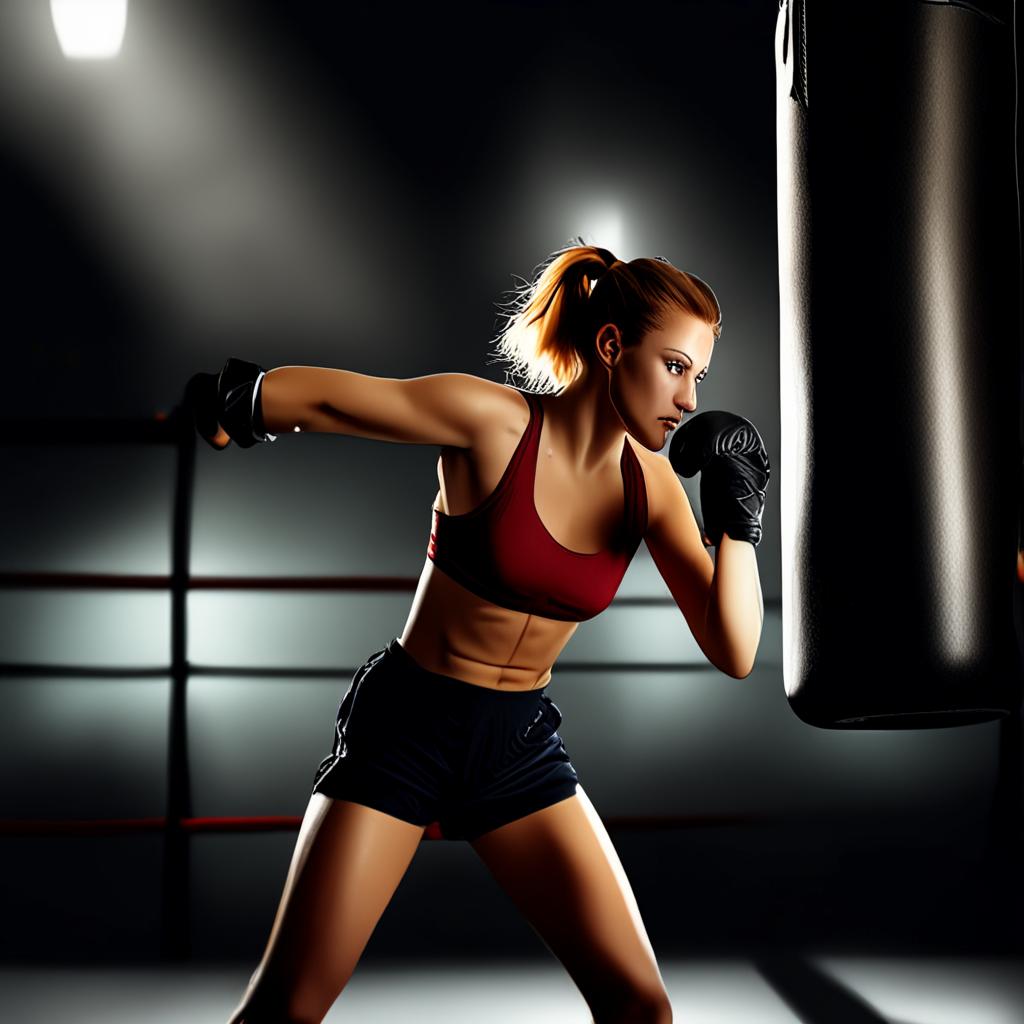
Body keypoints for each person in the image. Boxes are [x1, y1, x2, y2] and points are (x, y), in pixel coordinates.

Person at [185, 240, 768, 1024]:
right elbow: (346, 402)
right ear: (609, 347)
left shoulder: (650, 486)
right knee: (289, 1007)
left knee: (641, 1009)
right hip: (408, 731)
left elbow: (735, 650)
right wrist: (238, 403)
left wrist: (738, 519)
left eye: (700, 375)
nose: (691, 399)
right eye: (674, 366)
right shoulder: (494, 423)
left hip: (517, 747)